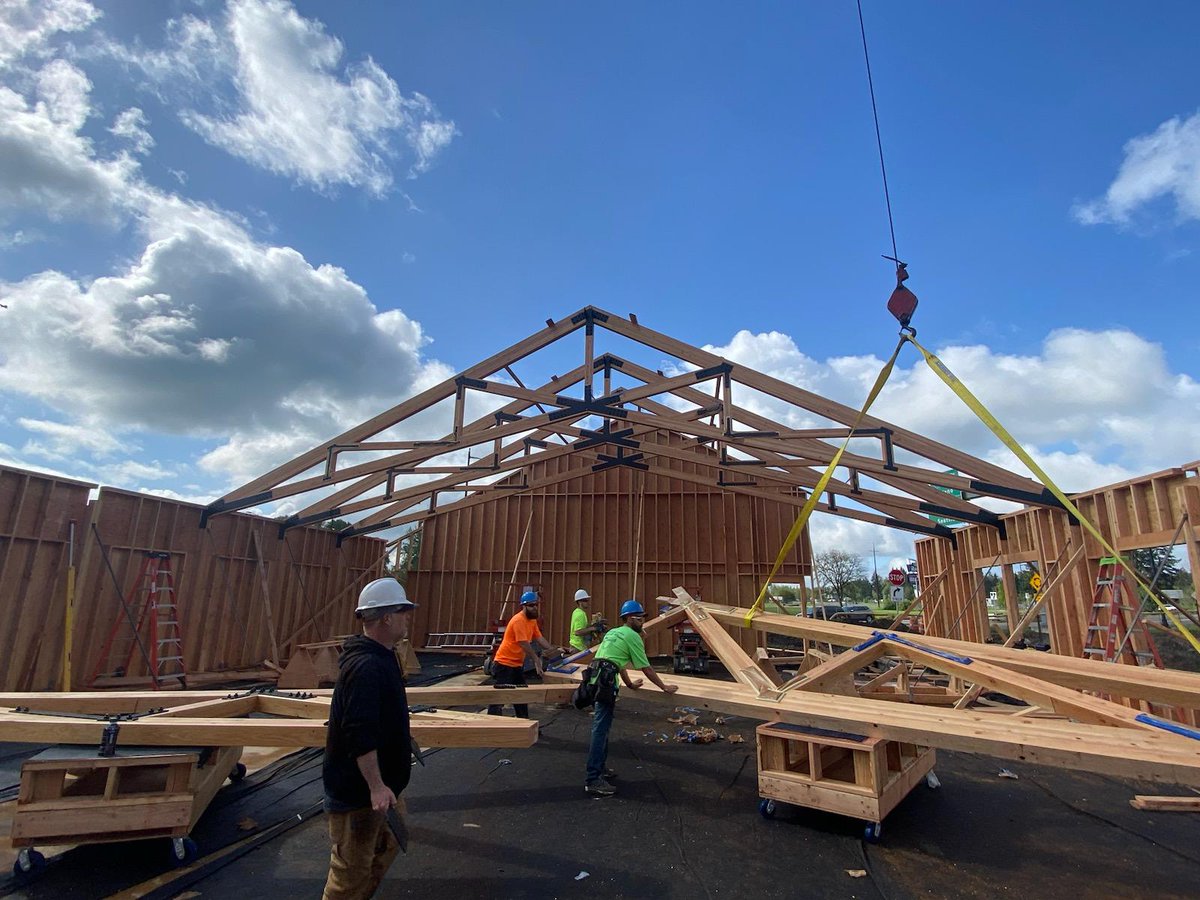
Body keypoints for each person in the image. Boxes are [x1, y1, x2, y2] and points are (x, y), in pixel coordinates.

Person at [322, 577, 416, 900]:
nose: (408, 617)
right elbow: (359, 734)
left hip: (382, 789)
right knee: (349, 875)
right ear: (386, 618)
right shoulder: (365, 666)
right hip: (359, 797)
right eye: (403, 611)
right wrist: (376, 786)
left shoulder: (384, 655)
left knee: (387, 846)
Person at [585, 599, 678, 797]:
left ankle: (599, 768)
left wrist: (628, 684)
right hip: (606, 681)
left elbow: (615, 662)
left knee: (603, 727)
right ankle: (593, 779)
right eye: (638, 618)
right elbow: (646, 668)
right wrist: (664, 687)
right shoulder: (632, 636)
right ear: (628, 618)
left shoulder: (614, 632)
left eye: (643, 618)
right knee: (600, 730)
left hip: (597, 677)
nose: (642, 621)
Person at [487, 590, 559, 717]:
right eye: (531, 605)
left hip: (516, 665)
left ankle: (524, 723)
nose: (534, 607)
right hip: (504, 664)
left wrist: (554, 650)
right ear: (524, 606)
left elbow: (539, 638)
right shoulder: (518, 620)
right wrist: (536, 659)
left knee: (521, 696)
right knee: (499, 698)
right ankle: (492, 725)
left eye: (536, 605)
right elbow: (523, 643)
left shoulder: (532, 621)